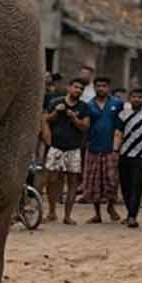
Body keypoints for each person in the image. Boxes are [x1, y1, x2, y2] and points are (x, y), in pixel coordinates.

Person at [42, 77, 88, 224]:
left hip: (74, 148)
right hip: (56, 147)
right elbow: (45, 120)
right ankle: (52, 212)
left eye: (81, 89)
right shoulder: (56, 102)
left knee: (73, 182)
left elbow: (85, 127)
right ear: (69, 87)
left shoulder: (83, 107)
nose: (78, 90)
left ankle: (68, 216)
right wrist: (56, 112)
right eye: (76, 87)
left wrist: (74, 118)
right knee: (51, 180)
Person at [83, 77, 124, 223]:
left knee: (111, 180)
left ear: (109, 87)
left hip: (110, 148)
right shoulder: (89, 105)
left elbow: (121, 126)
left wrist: (116, 147)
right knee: (94, 182)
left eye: (104, 86)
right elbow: (86, 126)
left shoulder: (117, 104)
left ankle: (111, 207)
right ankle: (97, 214)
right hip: (93, 147)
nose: (101, 88)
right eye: (98, 86)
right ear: (94, 87)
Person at [117, 88, 142, 228]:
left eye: (140, 97)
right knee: (125, 185)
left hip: (141, 155)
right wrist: (116, 150)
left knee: (137, 185)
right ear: (129, 98)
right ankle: (129, 213)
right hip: (124, 153)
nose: (137, 99)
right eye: (134, 97)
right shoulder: (123, 113)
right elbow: (118, 132)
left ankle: (132, 216)